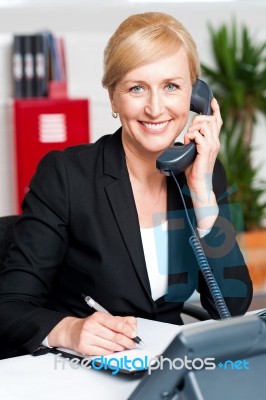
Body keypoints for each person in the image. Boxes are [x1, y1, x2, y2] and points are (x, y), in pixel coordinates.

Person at [0, 12, 252, 359]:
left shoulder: (203, 171)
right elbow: (10, 306)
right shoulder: (67, 176)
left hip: (166, 365)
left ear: (196, 97)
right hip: (82, 367)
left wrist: (203, 198)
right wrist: (69, 330)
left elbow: (233, 307)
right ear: (114, 98)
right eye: (136, 88)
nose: (155, 107)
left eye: (171, 86)